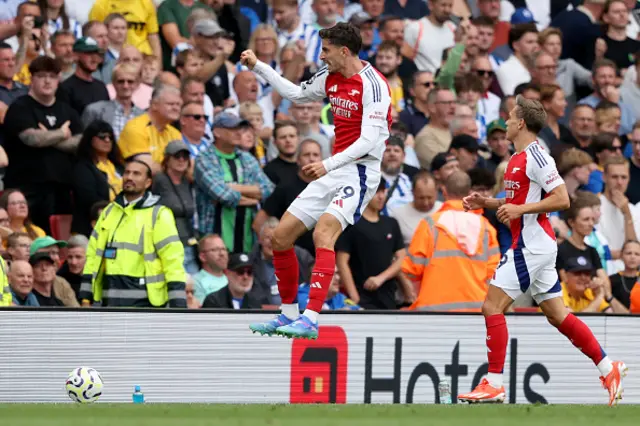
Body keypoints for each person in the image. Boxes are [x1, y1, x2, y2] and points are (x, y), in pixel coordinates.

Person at [457, 95, 627, 406]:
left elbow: (562, 199)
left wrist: (521, 210)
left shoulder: (538, 156)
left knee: (492, 307)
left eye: (509, 117)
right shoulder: (518, 158)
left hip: (531, 245)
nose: (506, 122)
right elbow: (517, 200)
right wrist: (487, 203)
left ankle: (493, 382)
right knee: (557, 315)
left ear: (521, 122)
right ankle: (608, 366)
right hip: (538, 245)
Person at [243, 23, 391, 339]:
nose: (321, 56)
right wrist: (258, 67)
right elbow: (296, 94)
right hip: (334, 169)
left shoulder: (374, 85)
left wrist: (327, 164)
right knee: (280, 237)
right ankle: (288, 315)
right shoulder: (330, 77)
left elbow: (369, 141)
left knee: (325, 232)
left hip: (361, 171)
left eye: (325, 50)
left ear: (344, 51)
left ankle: (311, 318)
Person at [78, 159, 187, 308]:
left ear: (148, 182)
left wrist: (178, 303)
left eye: (136, 174)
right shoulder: (108, 212)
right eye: (127, 173)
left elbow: (172, 259)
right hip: (108, 300)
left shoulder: (159, 214)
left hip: (146, 302)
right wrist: (86, 298)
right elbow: (93, 256)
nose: (129, 177)